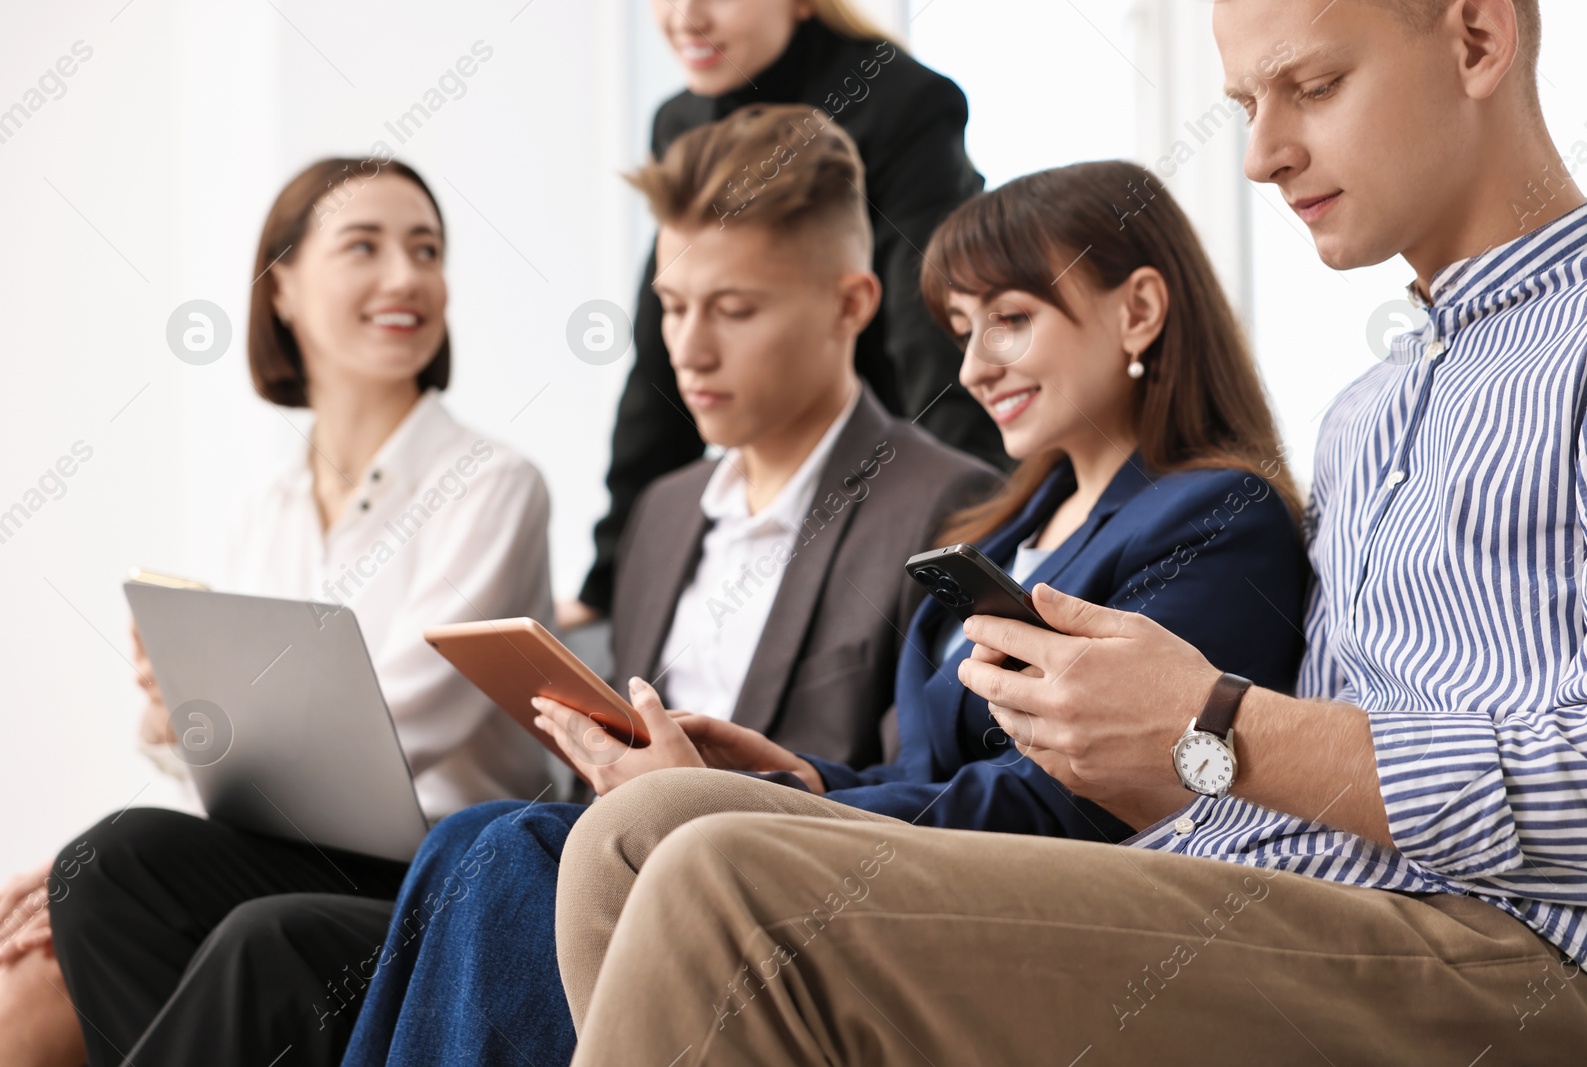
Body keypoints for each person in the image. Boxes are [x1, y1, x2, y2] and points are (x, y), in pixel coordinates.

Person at [556, 1, 1587, 1062]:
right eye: (1243, 106)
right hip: (1283, 882)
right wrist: (813, 787)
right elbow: (1279, 768)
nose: (1258, 156)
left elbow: (1272, 746)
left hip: (1514, 946)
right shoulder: (1365, 412)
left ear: (1476, 39)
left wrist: (1219, 724)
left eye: (1314, 88)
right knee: (638, 835)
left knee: (717, 879)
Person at [42, 108, 999, 1067]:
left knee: (274, 942)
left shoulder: (945, 506)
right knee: (113, 865)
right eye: (670, 305)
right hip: (575, 864)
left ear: (852, 304)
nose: (689, 349)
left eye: (734, 309)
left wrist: (712, 793)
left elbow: (928, 795)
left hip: (719, 891)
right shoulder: (665, 514)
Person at [341, 136, 1311, 1065]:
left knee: (510, 845)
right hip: (922, 857)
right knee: (474, 835)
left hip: (1047, 897)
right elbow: (921, 770)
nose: (973, 368)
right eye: (962, 331)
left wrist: (752, 803)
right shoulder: (1000, 527)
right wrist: (801, 780)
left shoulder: (1215, 515)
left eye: (1010, 319)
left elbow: (1095, 798)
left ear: (1139, 311)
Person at [11, 156, 557, 1067]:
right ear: (284, 290)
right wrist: (175, 707)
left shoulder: (491, 484)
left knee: (249, 924)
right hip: (308, 851)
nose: (407, 276)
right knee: (98, 866)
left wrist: (211, 715)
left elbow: (399, 724)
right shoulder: (261, 511)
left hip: (442, 865)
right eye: (365, 246)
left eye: (426, 249)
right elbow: (253, 776)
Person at [565, 0, 1003, 627]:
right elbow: (659, 366)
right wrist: (609, 576)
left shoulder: (901, 104)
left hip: (875, 462)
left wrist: (951, 541)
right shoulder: (681, 122)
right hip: (772, 473)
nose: (685, 17)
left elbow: (932, 347)